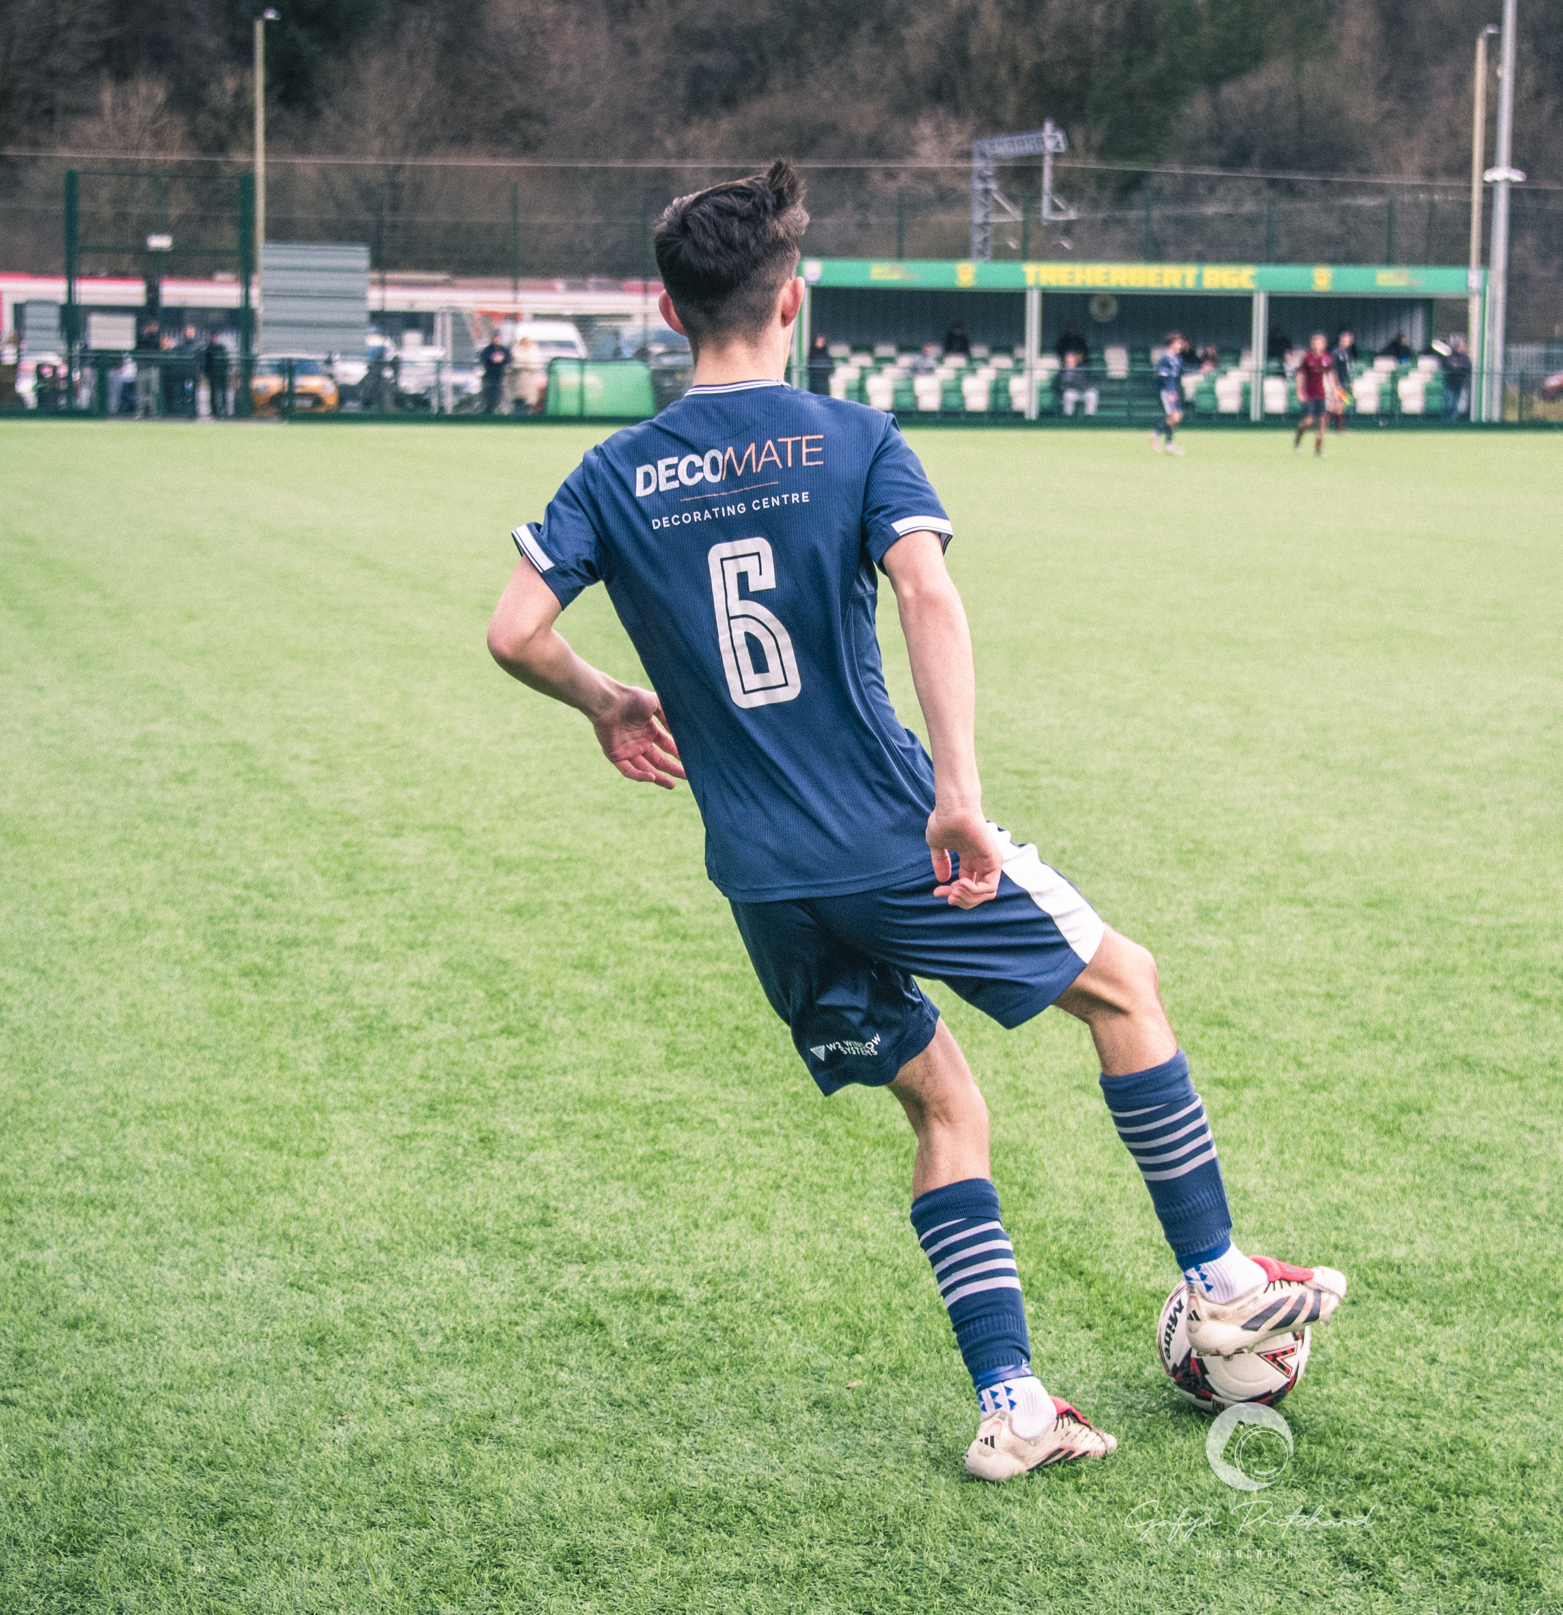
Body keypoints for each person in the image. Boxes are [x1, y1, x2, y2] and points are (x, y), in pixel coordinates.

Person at [486, 161, 1344, 1482]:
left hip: (762, 879)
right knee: (1128, 990)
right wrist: (959, 796)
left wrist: (605, 700)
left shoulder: (613, 474)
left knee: (945, 1104)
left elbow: (513, 631)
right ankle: (1222, 1281)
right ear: (797, 300)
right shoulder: (853, 438)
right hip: (894, 837)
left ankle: (1013, 1404)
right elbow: (928, 600)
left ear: (668, 312)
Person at [1291, 333, 1333, 454]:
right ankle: (1297, 439)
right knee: (1308, 421)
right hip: (1309, 394)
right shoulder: (1307, 358)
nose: (1317, 345)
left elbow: (1330, 375)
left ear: (1324, 345)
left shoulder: (1326, 358)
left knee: (1322, 422)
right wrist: (1299, 391)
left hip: (1321, 394)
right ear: (1311, 344)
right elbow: (1299, 374)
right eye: (1315, 342)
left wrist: (1335, 392)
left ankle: (1318, 449)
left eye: (1320, 342)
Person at [1149, 332, 1186, 453]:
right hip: (1167, 391)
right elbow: (1162, 377)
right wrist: (1169, 391)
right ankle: (1158, 437)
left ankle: (1166, 443)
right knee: (1173, 417)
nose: (1181, 345)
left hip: (1174, 390)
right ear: (1172, 344)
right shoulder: (1165, 359)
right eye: (1178, 343)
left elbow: (1178, 377)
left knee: (1177, 417)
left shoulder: (1178, 359)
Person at [1328, 330, 1357, 432]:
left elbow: (1348, 369)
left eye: (1349, 341)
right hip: (1337, 382)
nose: (1348, 343)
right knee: (1337, 405)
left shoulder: (1348, 353)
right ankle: (1329, 425)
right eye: (1346, 340)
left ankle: (1339, 427)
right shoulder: (1336, 352)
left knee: (1341, 405)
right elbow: (1333, 370)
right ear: (1341, 340)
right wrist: (1336, 385)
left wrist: (1350, 381)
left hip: (1344, 382)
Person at [478, 331, 513, 415]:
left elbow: (508, 359)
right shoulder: (488, 349)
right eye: (495, 338)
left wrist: (501, 359)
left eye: (498, 338)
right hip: (489, 375)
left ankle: (496, 410)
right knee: (489, 394)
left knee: (498, 394)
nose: (496, 340)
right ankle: (489, 410)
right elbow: (484, 358)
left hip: (499, 376)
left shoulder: (504, 349)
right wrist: (492, 359)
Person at [1441, 337, 1472, 422]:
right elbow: (1448, 366)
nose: (1462, 348)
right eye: (1460, 346)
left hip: (1459, 384)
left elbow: (1467, 367)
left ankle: (1452, 421)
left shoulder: (1465, 357)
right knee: (1449, 404)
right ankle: (1445, 420)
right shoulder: (1450, 356)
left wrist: (1457, 367)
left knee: (1455, 405)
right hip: (1450, 383)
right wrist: (1457, 368)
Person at [203, 333, 231, 418]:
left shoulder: (222, 348)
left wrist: (226, 370)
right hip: (213, 374)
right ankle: (214, 411)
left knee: (223, 393)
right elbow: (206, 363)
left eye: (216, 337)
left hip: (222, 374)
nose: (215, 339)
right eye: (213, 337)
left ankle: (224, 411)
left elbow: (226, 362)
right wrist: (207, 373)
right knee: (213, 393)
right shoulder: (208, 349)